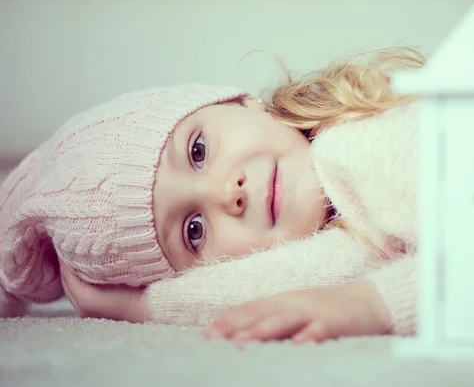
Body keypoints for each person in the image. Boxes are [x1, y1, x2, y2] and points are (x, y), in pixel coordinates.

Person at [0, 47, 424, 343]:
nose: (226, 193)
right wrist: (143, 308)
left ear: (242, 104)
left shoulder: (358, 145)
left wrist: (377, 302)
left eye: (198, 151)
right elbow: (299, 287)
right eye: (194, 230)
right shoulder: (350, 226)